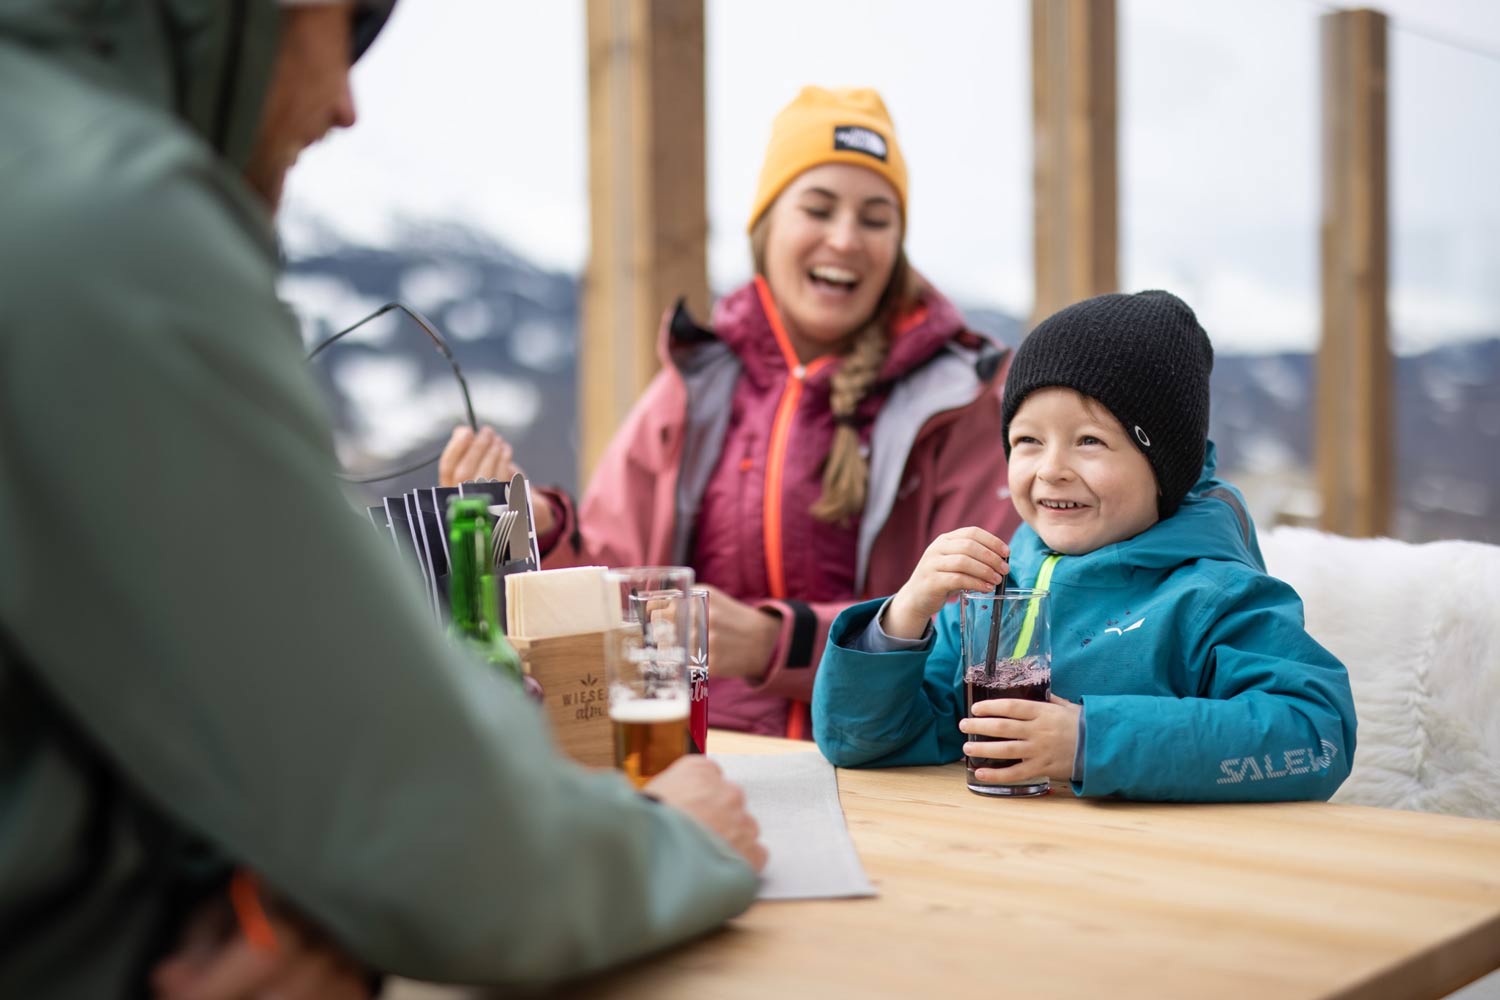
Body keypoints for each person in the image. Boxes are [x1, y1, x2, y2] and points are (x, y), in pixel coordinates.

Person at [0, 3, 766, 998]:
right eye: (348, 23)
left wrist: (259, 904)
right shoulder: (108, 227)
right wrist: (674, 844)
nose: (352, 103)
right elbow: (448, 846)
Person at [441, 86, 1022, 740]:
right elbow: (619, 579)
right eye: (819, 208)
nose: (845, 239)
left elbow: (978, 617)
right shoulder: (696, 384)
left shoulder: (962, 396)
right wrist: (543, 527)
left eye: (876, 218)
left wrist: (775, 643)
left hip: (885, 760)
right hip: (705, 752)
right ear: (767, 226)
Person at [811, 290, 1358, 801]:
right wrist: (903, 617)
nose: (1051, 470)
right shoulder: (1000, 591)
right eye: (1028, 440)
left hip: (1166, 880)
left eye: (1090, 441)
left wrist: (1088, 741)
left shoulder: (1211, 596)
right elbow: (861, 742)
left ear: (1163, 467)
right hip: (1002, 874)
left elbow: (1316, 737)